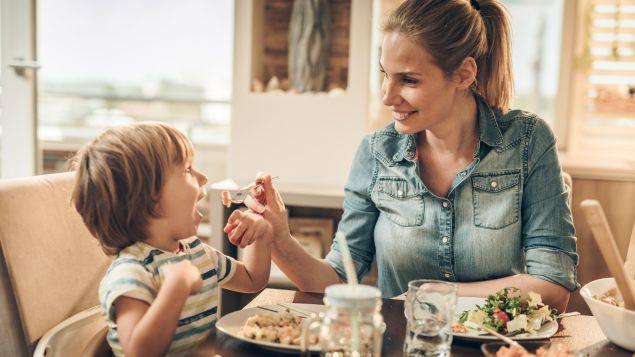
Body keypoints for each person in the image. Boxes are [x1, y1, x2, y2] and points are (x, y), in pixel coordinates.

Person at [230, 0, 578, 313]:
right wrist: (279, 237)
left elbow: (552, 285)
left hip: (499, 346)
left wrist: (437, 293)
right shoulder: (376, 153)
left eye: (408, 80)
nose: (387, 96)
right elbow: (337, 276)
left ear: (463, 73)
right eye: (385, 75)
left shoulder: (528, 141)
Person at [71, 122, 272, 357]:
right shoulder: (131, 272)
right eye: (187, 169)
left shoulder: (196, 252)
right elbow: (139, 353)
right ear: (149, 198)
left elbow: (251, 279)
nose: (203, 177)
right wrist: (176, 287)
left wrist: (262, 233)